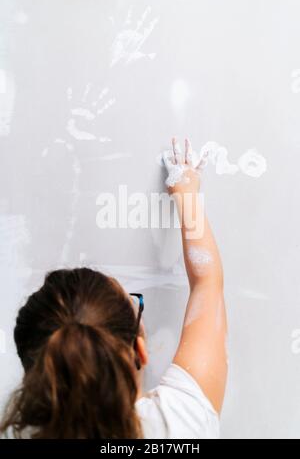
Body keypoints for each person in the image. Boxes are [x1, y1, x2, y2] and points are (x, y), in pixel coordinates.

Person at [0, 139, 227, 439]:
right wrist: (186, 192)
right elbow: (207, 284)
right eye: (136, 304)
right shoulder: (182, 423)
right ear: (140, 351)